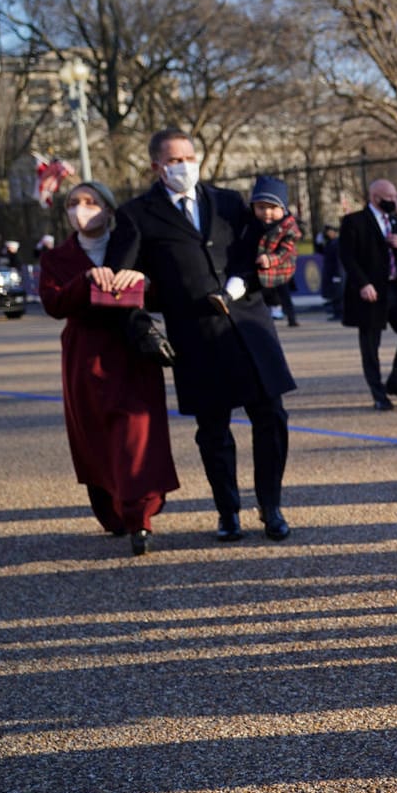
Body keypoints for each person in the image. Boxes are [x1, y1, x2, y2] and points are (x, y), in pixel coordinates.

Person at [119, 129, 296, 542]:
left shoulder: (231, 202)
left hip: (249, 324)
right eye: (175, 160)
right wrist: (141, 324)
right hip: (194, 332)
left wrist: (260, 269)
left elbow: (269, 240)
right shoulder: (137, 214)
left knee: (271, 418)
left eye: (189, 157)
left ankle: (271, 507)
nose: (185, 166)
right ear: (156, 166)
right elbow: (126, 277)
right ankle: (228, 511)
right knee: (213, 431)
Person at [38, 181, 180, 556]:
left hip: (131, 350)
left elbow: (165, 291)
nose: (81, 209)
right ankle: (113, 512)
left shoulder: (132, 245)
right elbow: (53, 303)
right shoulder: (57, 258)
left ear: (110, 210)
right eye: (73, 203)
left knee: (137, 436)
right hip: (85, 355)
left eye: (91, 202)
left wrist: (144, 281)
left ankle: (140, 518)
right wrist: (84, 281)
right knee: (95, 437)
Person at [340, 180, 397, 410]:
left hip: (395, 288)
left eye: (395, 196)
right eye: (390, 197)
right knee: (370, 345)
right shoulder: (354, 221)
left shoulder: (395, 221)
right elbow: (347, 257)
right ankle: (378, 394)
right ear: (375, 197)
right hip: (371, 292)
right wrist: (363, 284)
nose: (394, 201)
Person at [249, 177, 301, 328]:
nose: (267, 212)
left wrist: (271, 259)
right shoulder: (252, 223)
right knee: (260, 295)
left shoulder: (289, 228)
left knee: (283, 294)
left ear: (283, 208)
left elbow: (286, 250)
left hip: (281, 268)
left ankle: (292, 317)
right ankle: (260, 320)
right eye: (261, 207)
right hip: (259, 268)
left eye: (272, 208)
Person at [318, 226, 343, 320]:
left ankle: (340, 313)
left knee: (338, 294)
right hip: (330, 272)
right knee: (333, 293)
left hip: (336, 273)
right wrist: (319, 243)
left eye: (329, 231)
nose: (327, 233)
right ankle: (336, 312)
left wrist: (338, 274)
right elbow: (322, 252)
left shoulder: (337, 243)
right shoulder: (330, 243)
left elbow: (338, 260)